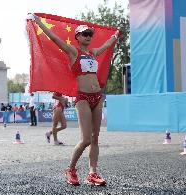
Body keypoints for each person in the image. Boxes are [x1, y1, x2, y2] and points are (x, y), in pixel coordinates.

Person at [29, 14, 120, 186]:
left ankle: (92, 173)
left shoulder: (93, 53)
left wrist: (115, 36)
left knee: (95, 138)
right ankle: (70, 169)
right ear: (77, 36)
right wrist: (38, 22)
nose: (88, 36)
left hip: (97, 97)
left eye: (90, 34)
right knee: (85, 139)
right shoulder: (73, 51)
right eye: (85, 34)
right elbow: (55, 39)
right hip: (83, 98)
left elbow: (106, 45)